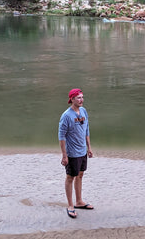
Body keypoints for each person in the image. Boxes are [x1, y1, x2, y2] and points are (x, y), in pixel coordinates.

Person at [58, 88, 94, 218]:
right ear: (72, 99)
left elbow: (86, 130)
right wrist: (64, 155)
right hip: (72, 153)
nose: (81, 100)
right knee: (70, 177)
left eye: (82, 97)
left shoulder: (83, 111)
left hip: (82, 151)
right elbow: (61, 136)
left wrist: (89, 148)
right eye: (78, 98)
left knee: (80, 175)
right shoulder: (66, 116)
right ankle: (70, 205)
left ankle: (79, 201)